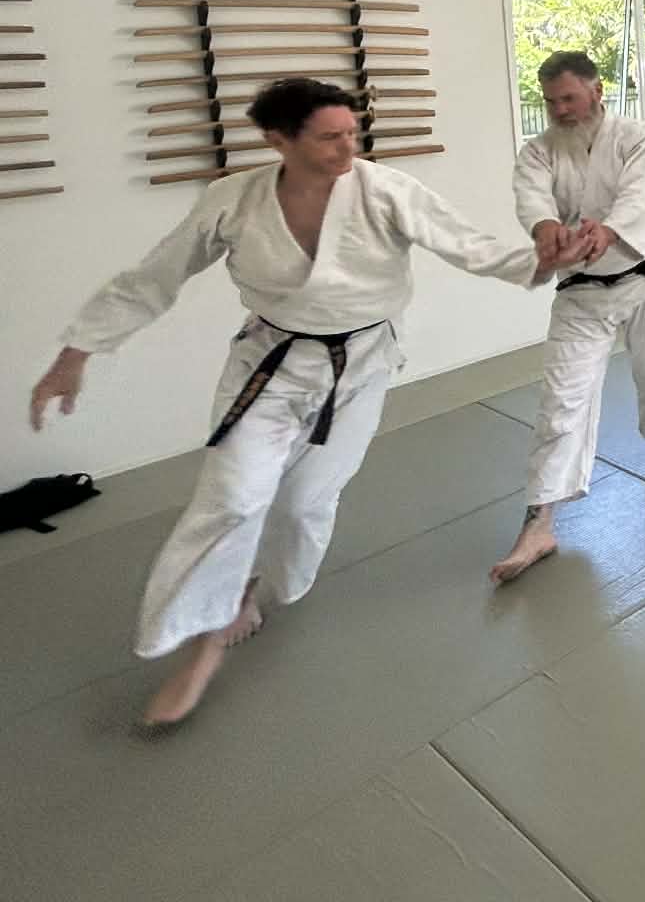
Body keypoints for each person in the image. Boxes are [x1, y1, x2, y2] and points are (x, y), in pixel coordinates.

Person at [26, 78, 551, 726]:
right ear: (279, 140)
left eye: (352, 133)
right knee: (232, 498)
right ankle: (202, 643)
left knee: (304, 505)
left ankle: (252, 590)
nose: (349, 147)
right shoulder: (233, 200)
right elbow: (153, 278)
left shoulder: (386, 190)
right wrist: (74, 355)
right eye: (330, 137)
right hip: (268, 365)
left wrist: (541, 259)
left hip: (361, 365)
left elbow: (471, 245)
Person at [491, 51, 645, 584]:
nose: (560, 109)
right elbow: (531, 198)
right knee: (560, 400)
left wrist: (607, 231)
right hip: (582, 289)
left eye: (569, 97)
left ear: (597, 90)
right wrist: (545, 228)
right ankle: (539, 523)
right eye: (551, 101)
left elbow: (641, 196)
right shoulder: (538, 152)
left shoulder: (637, 138)